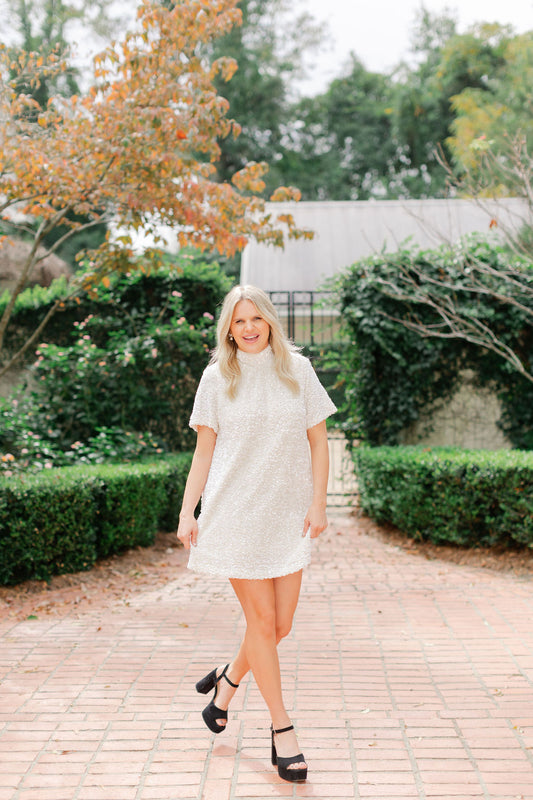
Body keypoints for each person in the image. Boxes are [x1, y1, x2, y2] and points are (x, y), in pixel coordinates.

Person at [177, 284, 336, 783]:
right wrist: (188, 512)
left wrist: (318, 501)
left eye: (256, 319)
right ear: (228, 327)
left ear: (269, 321)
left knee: (279, 626)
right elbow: (204, 452)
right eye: (238, 321)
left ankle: (226, 682)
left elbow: (319, 442)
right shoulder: (216, 378)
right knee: (263, 624)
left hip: (286, 516)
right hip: (234, 516)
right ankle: (282, 731)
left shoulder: (298, 371)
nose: (248, 328)